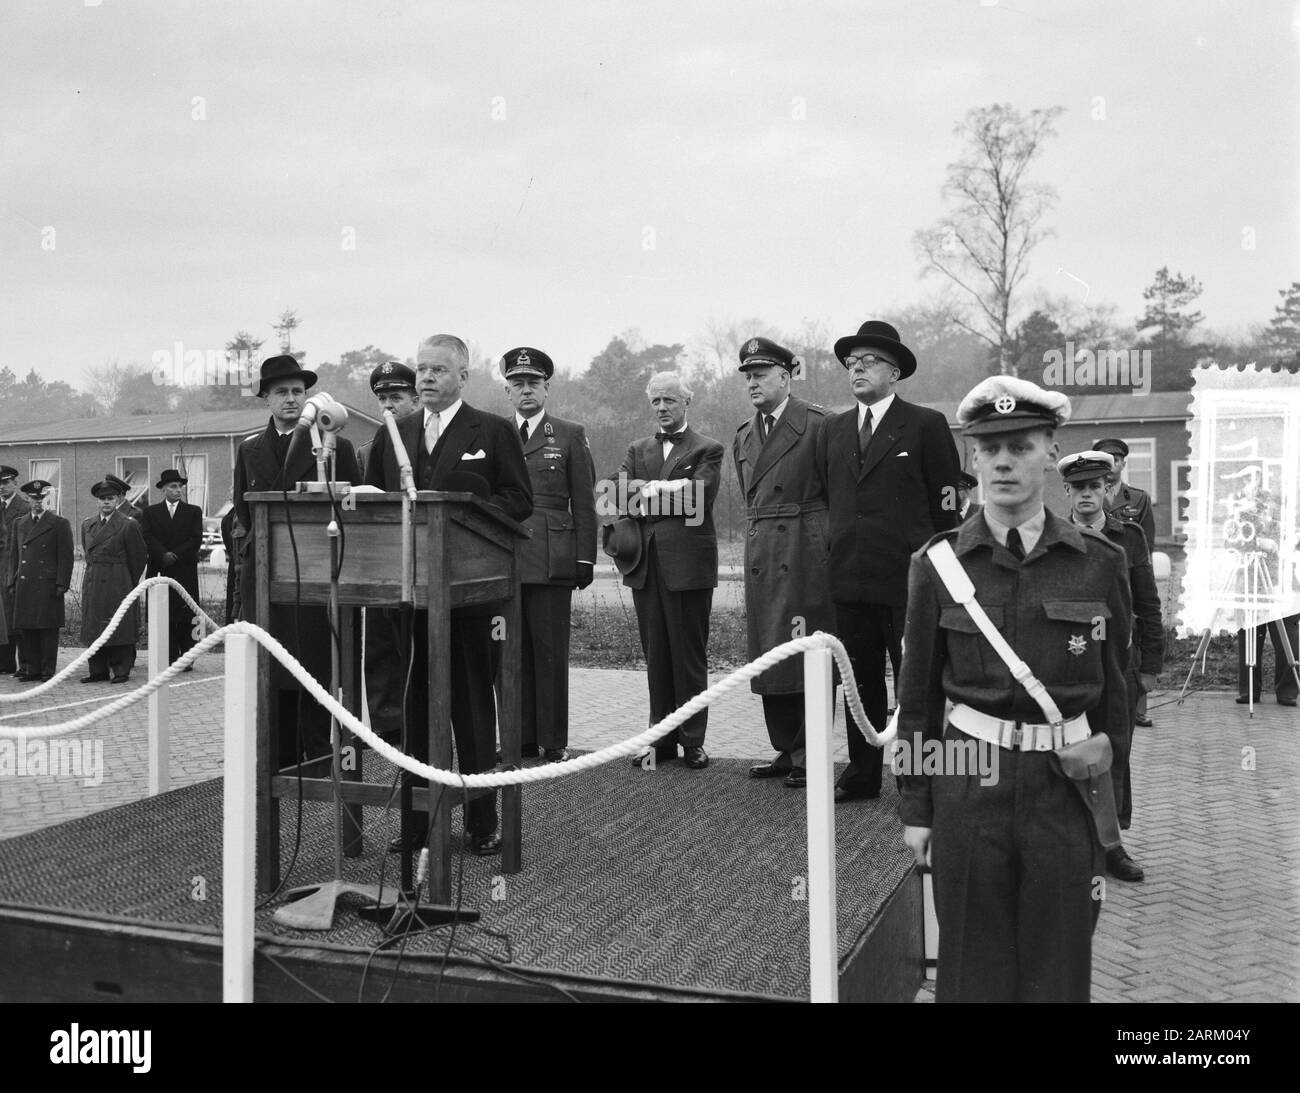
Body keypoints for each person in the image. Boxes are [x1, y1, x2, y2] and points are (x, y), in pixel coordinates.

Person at [898, 376, 1132, 1003]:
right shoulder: (937, 564)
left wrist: (1114, 812)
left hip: (1066, 791)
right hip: (969, 782)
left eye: (1022, 446)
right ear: (973, 459)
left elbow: (1116, 697)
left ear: (1051, 451)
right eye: (990, 448)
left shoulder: (1099, 561)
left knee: (1059, 970)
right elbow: (917, 698)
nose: (1004, 461)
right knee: (972, 970)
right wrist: (917, 808)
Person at [364, 334, 532, 856]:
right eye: (422, 369)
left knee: (472, 709)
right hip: (408, 597)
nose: (427, 378)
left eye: (439, 369)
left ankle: (482, 823)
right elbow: (376, 503)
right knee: (413, 710)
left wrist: (467, 514)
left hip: (469, 597)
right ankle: (416, 823)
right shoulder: (393, 432)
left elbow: (518, 501)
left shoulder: (494, 431)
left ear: (463, 375)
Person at [817, 320, 962, 802]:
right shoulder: (833, 429)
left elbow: (947, 505)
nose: (856, 369)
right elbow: (829, 498)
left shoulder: (925, 424)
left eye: (869, 361)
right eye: (850, 363)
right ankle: (861, 774)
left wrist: (939, 570)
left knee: (913, 682)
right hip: (850, 578)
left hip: (909, 580)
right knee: (857, 680)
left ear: (894, 372)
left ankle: (916, 779)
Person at [232, 354, 363, 769]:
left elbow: (355, 507)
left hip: (315, 577)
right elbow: (242, 514)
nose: (291, 400)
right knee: (273, 672)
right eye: (282, 392)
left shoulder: (333, 446)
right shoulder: (250, 449)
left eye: (298, 392)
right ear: (266, 399)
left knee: (316, 671)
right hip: (268, 579)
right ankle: (278, 759)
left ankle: (321, 758)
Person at [731, 336, 833, 788]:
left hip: (804, 551)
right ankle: (786, 750)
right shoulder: (743, 436)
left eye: (760, 374)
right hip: (763, 553)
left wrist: (821, 544)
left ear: (786, 377)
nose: (752, 383)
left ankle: (812, 754)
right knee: (771, 653)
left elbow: (835, 495)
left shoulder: (818, 425)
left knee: (808, 652)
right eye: (748, 376)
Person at [1059, 450, 1164, 883]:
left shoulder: (1130, 537)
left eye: (1094, 487)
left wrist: (1150, 666)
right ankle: (1068, 845)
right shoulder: (1052, 537)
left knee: (1114, 752)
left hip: (1118, 664)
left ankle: (1112, 846)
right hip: (1065, 665)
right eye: (1078, 488)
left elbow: (1148, 604)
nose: (1086, 495)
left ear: (1107, 488)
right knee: (1066, 752)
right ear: (1067, 490)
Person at [610, 372, 722, 771]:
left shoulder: (708, 448)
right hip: (646, 568)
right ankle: (660, 740)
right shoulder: (638, 448)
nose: (662, 408)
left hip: (688, 569)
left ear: (686, 402)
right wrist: (667, 490)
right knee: (656, 656)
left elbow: (698, 501)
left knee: (689, 657)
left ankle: (693, 741)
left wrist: (645, 493)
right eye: (656, 401)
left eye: (669, 400)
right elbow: (610, 495)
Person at [502, 346, 597, 763]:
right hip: (505, 557)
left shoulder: (570, 433)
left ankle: (553, 740)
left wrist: (585, 558)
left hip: (553, 555)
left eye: (533, 383)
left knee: (551, 652)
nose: (526, 391)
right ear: (507, 390)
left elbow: (585, 502)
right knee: (510, 651)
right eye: (517, 383)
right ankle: (519, 737)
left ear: (547, 389)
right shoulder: (495, 433)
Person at [357, 361, 421, 744]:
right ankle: (387, 723)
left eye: (396, 397)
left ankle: (420, 717)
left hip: (423, 553)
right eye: (381, 399)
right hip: (386, 554)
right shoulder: (379, 441)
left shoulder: (428, 435)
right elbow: (371, 493)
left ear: (415, 398)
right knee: (381, 642)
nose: (388, 406)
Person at [80, 477, 148, 683]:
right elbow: (88, 552)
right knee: (95, 626)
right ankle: (97, 670)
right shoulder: (87, 524)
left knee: (119, 625)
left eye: (110, 498)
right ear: (97, 501)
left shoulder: (128, 525)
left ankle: (120, 669)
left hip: (118, 581)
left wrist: (126, 580)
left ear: (118, 499)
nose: (106, 502)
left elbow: (138, 557)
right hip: (94, 581)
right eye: (102, 499)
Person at [7, 480, 74, 682]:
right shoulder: (20, 523)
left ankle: (47, 670)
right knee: (27, 628)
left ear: (48, 500)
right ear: (27, 499)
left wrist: (62, 583)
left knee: (47, 628)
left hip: (48, 583)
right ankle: (32, 669)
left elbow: (66, 556)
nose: (38, 503)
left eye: (42, 499)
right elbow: (14, 554)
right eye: (34, 499)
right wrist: (11, 580)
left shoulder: (59, 523)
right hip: (25, 582)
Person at [139, 469, 204, 670]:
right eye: (173, 487)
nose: (178, 490)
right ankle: (165, 656)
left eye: (179, 486)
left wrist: (175, 554)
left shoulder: (193, 511)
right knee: (163, 614)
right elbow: (147, 537)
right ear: (164, 489)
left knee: (186, 614)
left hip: (184, 569)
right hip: (160, 568)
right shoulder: (150, 512)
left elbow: (195, 539)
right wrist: (162, 554)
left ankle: (186, 658)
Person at [1095, 437, 1156, 547]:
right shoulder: (1087, 497)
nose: (1110, 466)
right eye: (1104, 462)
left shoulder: (1140, 498)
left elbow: (1147, 542)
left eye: (1115, 460)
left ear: (1123, 464)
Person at [0, 467, 31, 675]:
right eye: (0, 484)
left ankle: (24, 663)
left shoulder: (24, 508)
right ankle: (4, 663)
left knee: (16, 616)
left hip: (14, 566)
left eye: (6, 483)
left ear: (15, 483)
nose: (2, 487)